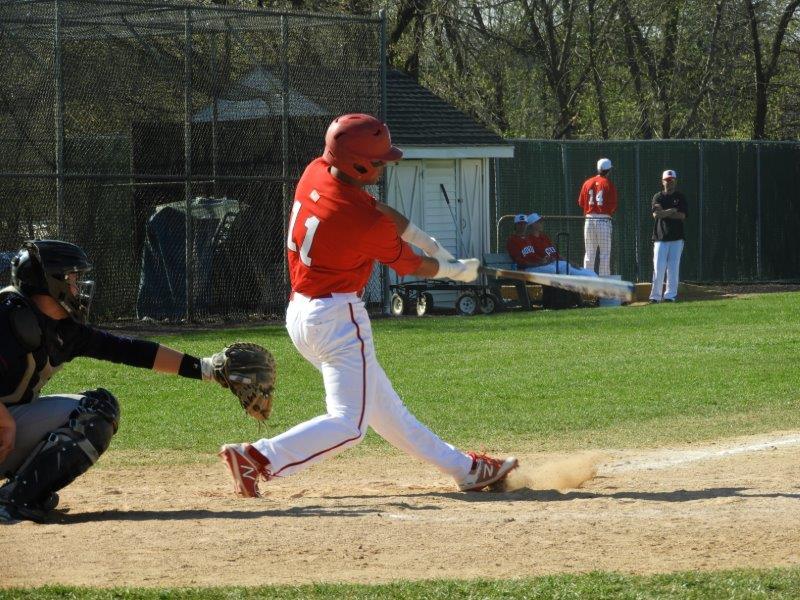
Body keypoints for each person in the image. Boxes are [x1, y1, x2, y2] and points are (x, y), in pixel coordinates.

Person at [218, 113, 518, 498]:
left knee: (385, 411)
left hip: (302, 314)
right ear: (357, 162)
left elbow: (380, 211)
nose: (384, 165)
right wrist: (452, 271)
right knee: (350, 424)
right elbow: (409, 265)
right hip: (338, 319)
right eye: (377, 161)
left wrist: (431, 243)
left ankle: (467, 470)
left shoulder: (316, 171)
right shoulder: (357, 221)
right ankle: (257, 457)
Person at [0, 240, 242, 523]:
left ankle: (23, 494)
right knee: (94, 412)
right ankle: (13, 503)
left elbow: (127, 350)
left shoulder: (62, 328)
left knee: (98, 408)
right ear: (50, 282)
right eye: (72, 278)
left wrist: (205, 369)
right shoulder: (7, 315)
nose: (79, 287)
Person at [506, 213, 598, 278]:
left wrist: (569, 261)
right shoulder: (517, 240)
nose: (522, 226)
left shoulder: (532, 238)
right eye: (520, 224)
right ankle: (562, 294)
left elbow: (542, 257)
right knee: (556, 269)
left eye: (524, 224)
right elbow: (520, 261)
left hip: (547, 264)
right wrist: (541, 262)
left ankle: (567, 294)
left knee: (589, 273)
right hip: (530, 268)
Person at [649, 169, 687, 303]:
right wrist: (672, 210)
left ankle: (670, 296)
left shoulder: (680, 197)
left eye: (671, 180)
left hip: (677, 238)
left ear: (675, 181)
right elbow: (657, 215)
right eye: (667, 180)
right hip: (660, 238)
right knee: (658, 268)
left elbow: (682, 215)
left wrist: (665, 212)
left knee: (673, 268)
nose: (669, 183)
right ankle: (655, 297)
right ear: (662, 181)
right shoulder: (658, 197)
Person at [577, 158, 618, 276]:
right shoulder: (608, 184)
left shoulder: (587, 182)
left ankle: (587, 279)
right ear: (608, 170)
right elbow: (613, 206)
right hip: (603, 219)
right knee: (604, 254)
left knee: (589, 253)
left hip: (589, 219)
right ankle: (603, 280)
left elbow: (581, 203)